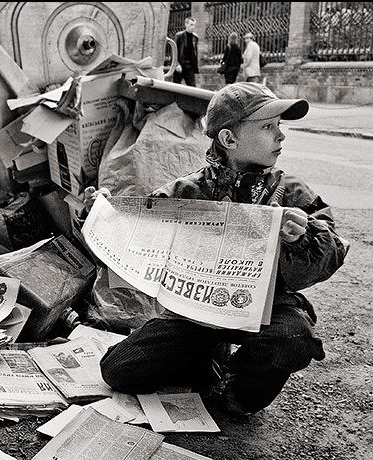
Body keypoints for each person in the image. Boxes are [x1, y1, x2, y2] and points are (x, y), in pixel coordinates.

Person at [83, 82, 349, 417]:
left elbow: (329, 257)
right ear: (228, 139)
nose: (281, 137)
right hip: (196, 313)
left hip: (265, 309)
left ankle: (236, 391)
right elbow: (138, 235)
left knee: (294, 337)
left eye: (279, 127)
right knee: (119, 371)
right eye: (268, 127)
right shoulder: (187, 191)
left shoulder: (291, 192)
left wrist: (304, 237)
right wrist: (101, 214)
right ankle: (204, 359)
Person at [173, 17, 200, 87]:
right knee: (175, 87)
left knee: (192, 87)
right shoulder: (179, 36)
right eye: (191, 25)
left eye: (194, 25)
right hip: (180, 65)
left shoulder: (195, 37)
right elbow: (174, 50)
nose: (193, 27)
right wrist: (176, 64)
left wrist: (195, 66)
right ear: (186, 24)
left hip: (190, 66)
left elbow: (195, 53)